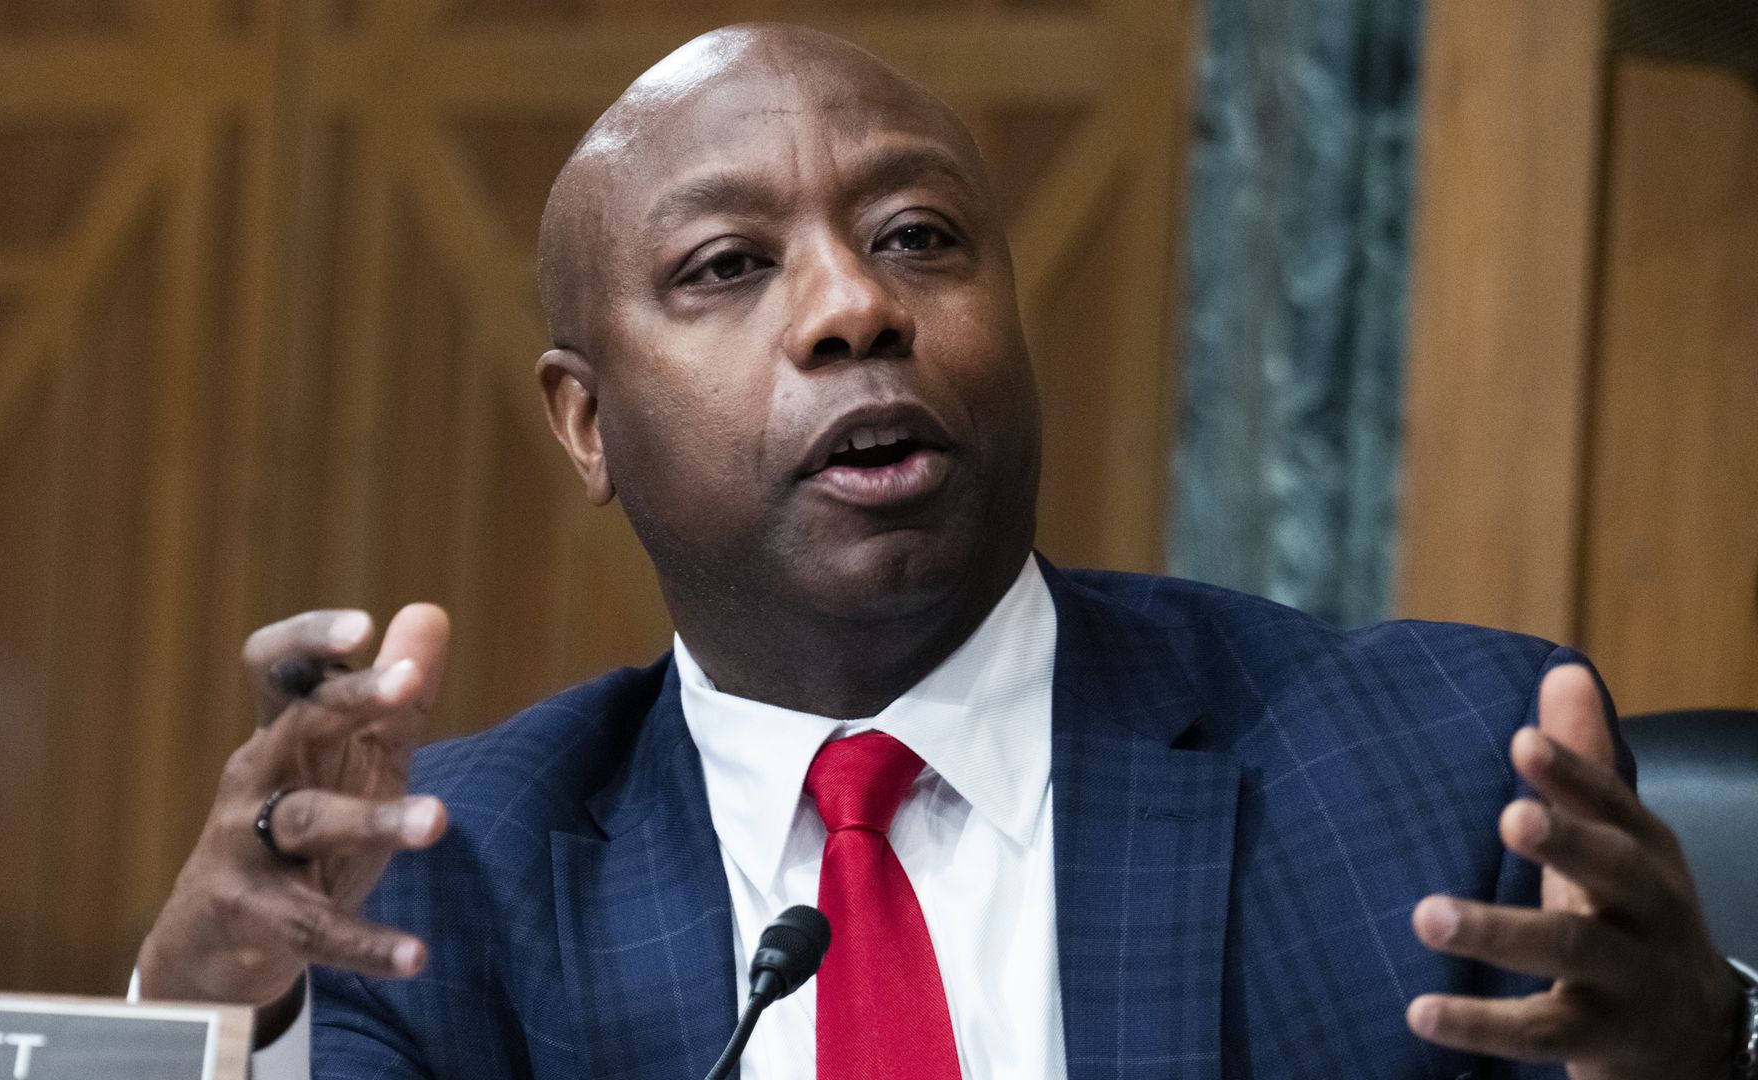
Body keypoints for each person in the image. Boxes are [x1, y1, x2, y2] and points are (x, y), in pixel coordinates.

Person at [133, 23, 1754, 1080]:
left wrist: (1719, 1052)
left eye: (919, 236)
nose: (855, 307)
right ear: (587, 426)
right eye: (727, 267)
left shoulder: (1439, 767)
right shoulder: (445, 876)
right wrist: (212, 1021)